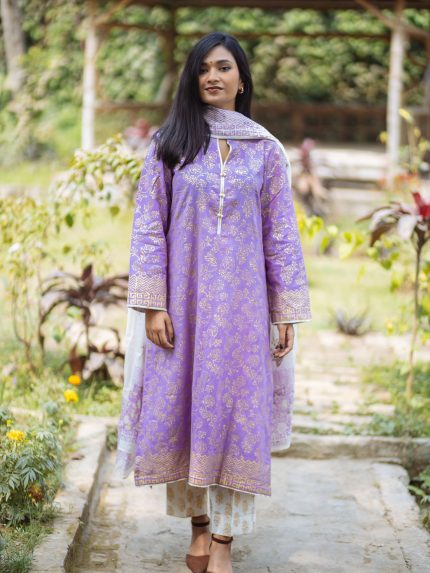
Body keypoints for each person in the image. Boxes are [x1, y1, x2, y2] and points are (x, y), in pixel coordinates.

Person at [115, 31, 312, 573]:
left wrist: (285, 310)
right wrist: (153, 304)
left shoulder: (265, 151)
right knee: (183, 411)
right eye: (203, 68)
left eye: (223, 67)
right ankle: (199, 527)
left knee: (236, 417)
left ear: (241, 79)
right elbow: (148, 228)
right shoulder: (171, 144)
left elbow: (281, 236)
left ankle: (223, 542)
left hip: (244, 313)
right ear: (192, 78)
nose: (212, 76)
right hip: (182, 310)